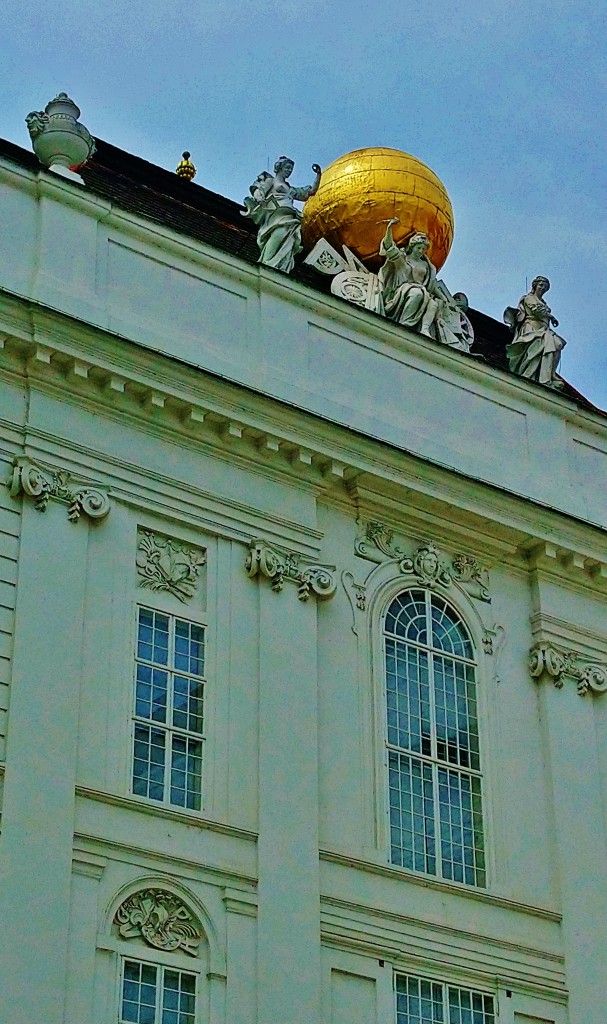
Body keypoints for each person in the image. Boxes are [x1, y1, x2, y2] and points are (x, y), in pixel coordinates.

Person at [243, 157, 321, 274]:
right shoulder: (271, 180)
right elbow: (257, 189)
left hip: (289, 217)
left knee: (289, 241)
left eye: (291, 169)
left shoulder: (290, 189)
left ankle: (281, 267)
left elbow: (311, 191)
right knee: (278, 235)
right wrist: (259, 197)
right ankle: (268, 263)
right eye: (287, 167)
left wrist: (318, 175)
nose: (289, 171)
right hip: (275, 215)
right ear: (279, 167)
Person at [378, 221, 443, 335]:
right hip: (402, 292)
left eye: (423, 249)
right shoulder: (402, 260)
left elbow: (431, 286)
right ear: (412, 246)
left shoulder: (427, 266)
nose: (421, 251)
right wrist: (389, 228)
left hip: (423, 292)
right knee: (416, 293)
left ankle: (424, 329)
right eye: (419, 248)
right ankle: (404, 324)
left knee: (433, 304)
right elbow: (389, 247)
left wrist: (444, 299)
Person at [505, 276, 566, 385]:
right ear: (535, 286)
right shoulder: (529, 298)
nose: (543, 288)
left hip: (544, 329)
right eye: (541, 285)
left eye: (545, 287)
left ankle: (548, 374)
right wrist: (551, 317)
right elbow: (536, 310)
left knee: (557, 344)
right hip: (531, 329)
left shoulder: (544, 302)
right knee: (536, 347)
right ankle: (530, 374)